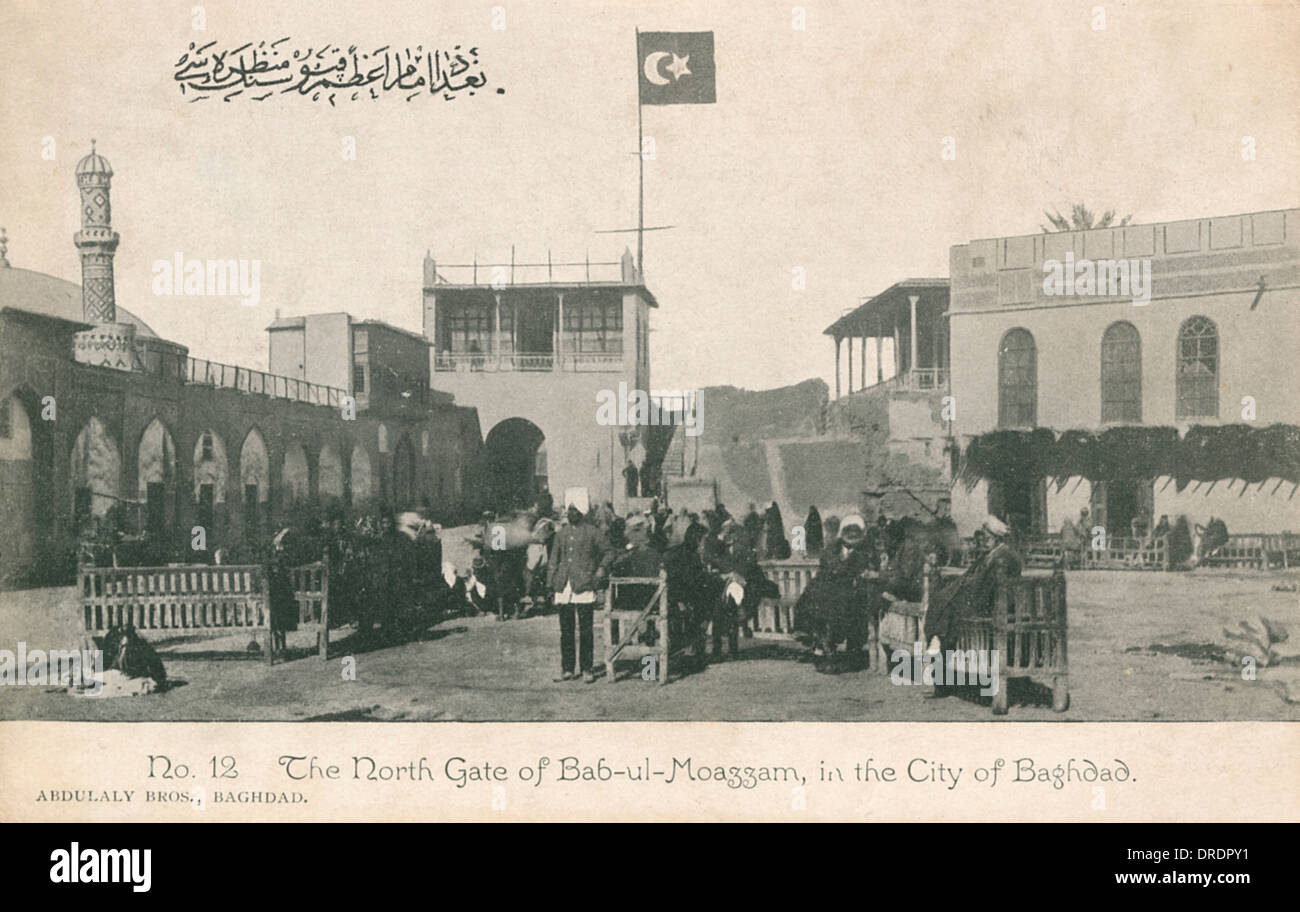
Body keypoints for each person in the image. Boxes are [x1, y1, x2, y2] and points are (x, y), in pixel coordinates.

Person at [924, 515, 1022, 656]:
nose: (983, 542)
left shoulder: (1004, 557)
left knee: (948, 609)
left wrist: (967, 591)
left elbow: (990, 586)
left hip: (992, 602)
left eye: (987, 538)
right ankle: (940, 647)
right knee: (940, 601)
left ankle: (944, 651)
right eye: (983, 538)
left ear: (997, 538)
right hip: (983, 597)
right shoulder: (991, 554)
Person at [549, 488, 614, 683]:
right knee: (566, 630)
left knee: (586, 630)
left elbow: (609, 552)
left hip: (584, 585)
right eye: (568, 510)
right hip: (564, 586)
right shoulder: (561, 533)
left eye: (574, 510)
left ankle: (587, 669)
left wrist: (601, 568)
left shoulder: (593, 532)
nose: (570, 514)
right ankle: (567, 669)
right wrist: (551, 582)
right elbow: (554, 559)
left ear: (582, 512)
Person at [268, 528, 299, 661]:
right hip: (283, 599)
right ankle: (282, 648)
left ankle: (278, 648)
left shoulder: (272, 558)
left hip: (273, 599)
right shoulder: (287, 558)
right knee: (280, 613)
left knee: (276, 614)